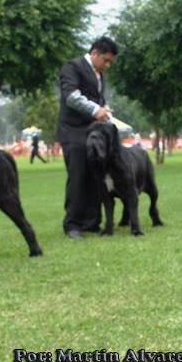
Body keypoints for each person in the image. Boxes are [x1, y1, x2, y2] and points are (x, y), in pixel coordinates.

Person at [56, 36, 117, 238]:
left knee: (95, 175)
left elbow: (98, 98)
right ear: (94, 53)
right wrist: (95, 110)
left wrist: (104, 108)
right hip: (72, 131)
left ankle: (92, 222)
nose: (107, 65)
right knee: (78, 176)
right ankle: (73, 224)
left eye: (110, 62)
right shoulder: (72, 67)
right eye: (105, 60)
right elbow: (71, 97)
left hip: (92, 131)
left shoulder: (99, 74)